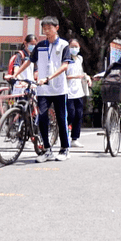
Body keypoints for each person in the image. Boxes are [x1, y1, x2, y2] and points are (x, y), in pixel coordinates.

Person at [11, 17, 73, 162]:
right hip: (43, 89)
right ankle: (46, 149)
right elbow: (29, 61)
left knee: (61, 118)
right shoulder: (40, 45)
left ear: (56, 28)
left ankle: (65, 148)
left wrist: (49, 77)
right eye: (44, 28)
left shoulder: (64, 45)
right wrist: (15, 74)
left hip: (58, 88)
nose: (46, 31)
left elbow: (65, 66)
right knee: (42, 117)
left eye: (49, 28)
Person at [65, 37, 87, 148]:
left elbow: (81, 72)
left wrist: (86, 78)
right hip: (68, 91)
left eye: (76, 46)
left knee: (78, 115)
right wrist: (75, 76)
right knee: (71, 114)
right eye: (72, 46)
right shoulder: (65, 59)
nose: (74, 48)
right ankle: (63, 134)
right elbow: (63, 76)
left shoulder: (79, 59)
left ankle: (75, 138)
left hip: (78, 91)